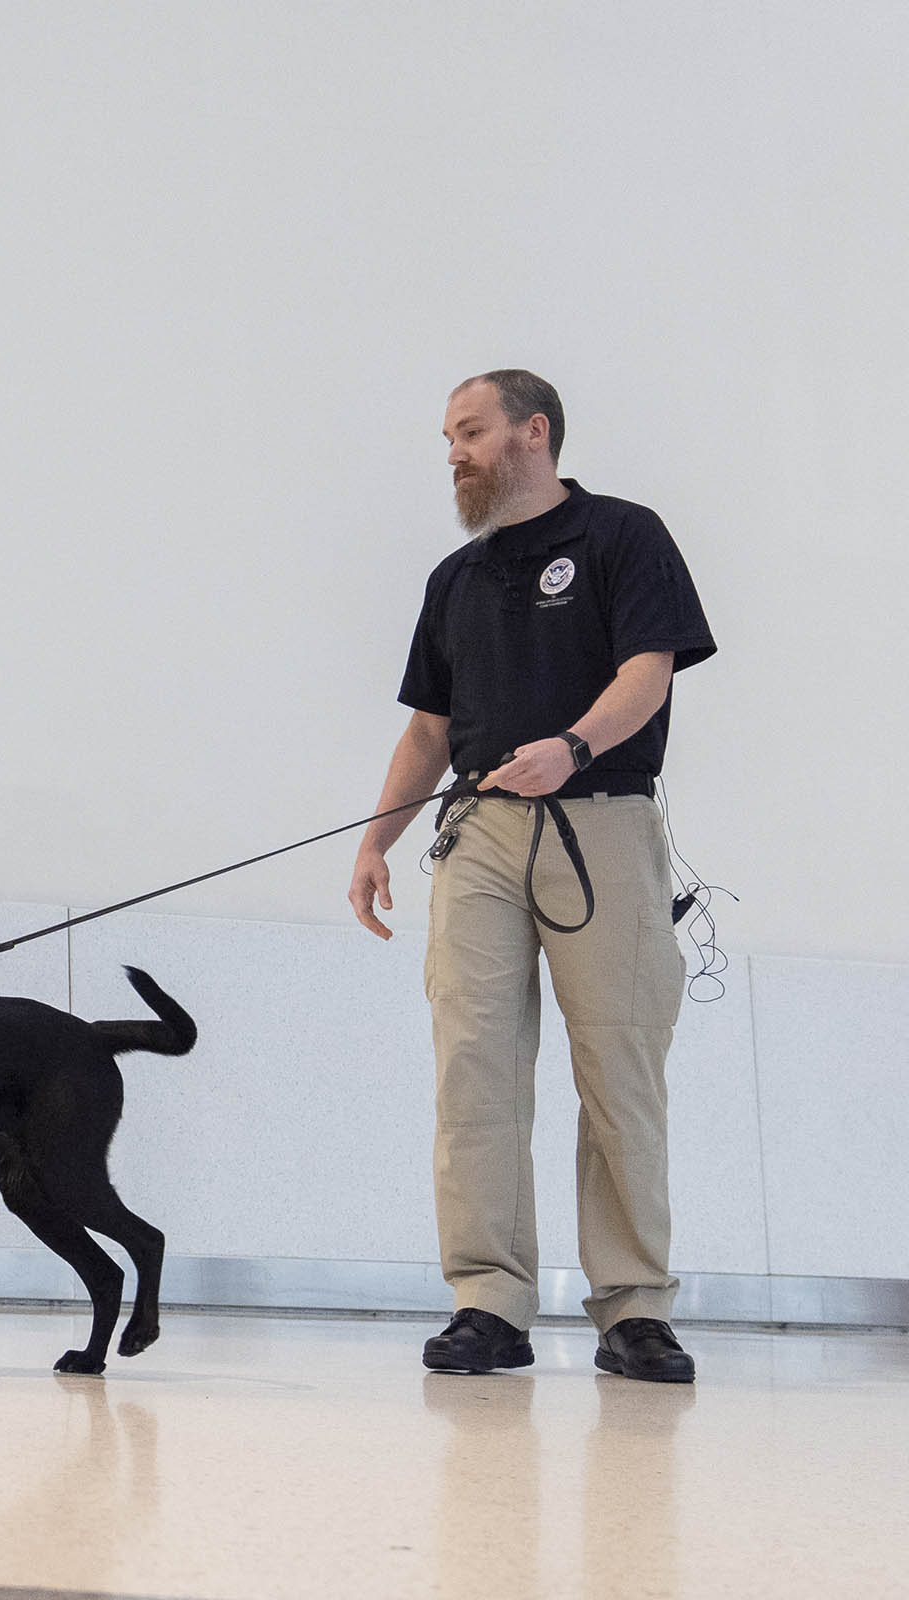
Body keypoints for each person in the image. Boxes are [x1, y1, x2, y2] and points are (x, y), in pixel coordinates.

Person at [347, 370, 716, 1383]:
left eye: (470, 431)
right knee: (475, 1067)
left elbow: (650, 668)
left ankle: (634, 1308)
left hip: (602, 824)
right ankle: (488, 1303)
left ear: (532, 432)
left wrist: (576, 747)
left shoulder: (622, 536)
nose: (454, 451)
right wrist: (378, 840)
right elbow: (428, 725)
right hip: (479, 835)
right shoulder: (454, 581)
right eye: (448, 436)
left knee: (619, 1069)